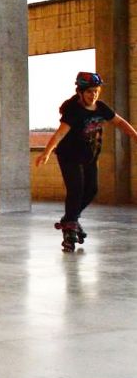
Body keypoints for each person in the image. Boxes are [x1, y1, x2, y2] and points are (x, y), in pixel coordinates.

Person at [35, 71, 137, 251]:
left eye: (96, 91)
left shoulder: (101, 107)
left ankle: (70, 220)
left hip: (89, 156)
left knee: (92, 189)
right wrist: (46, 152)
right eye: (90, 92)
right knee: (76, 189)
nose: (94, 95)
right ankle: (70, 224)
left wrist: (134, 135)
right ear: (80, 92)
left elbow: (120, 122)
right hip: (69, 157)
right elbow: (60, 133)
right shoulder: (74, 110)